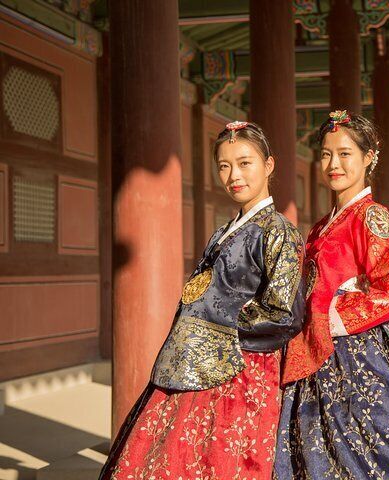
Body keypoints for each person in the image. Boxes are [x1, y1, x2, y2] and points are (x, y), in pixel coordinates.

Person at [100, 121, 305, 480]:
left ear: (269, 165)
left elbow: (282, 312)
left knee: (217, 461)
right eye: (224, 166)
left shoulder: (279, 231)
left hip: (239, 369)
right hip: (188, 359)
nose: (233, 175)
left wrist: (221, 326)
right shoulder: (222, 232)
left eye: (245, 163)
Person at [274, 111, 389, 479]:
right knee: (317, 446)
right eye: (326, 154)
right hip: (314, 347)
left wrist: (332, 314)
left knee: (376, 444)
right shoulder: (320, 226)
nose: (334, 164)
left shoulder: (372, 216)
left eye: (345, 154)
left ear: (368, 157)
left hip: (360, 352)